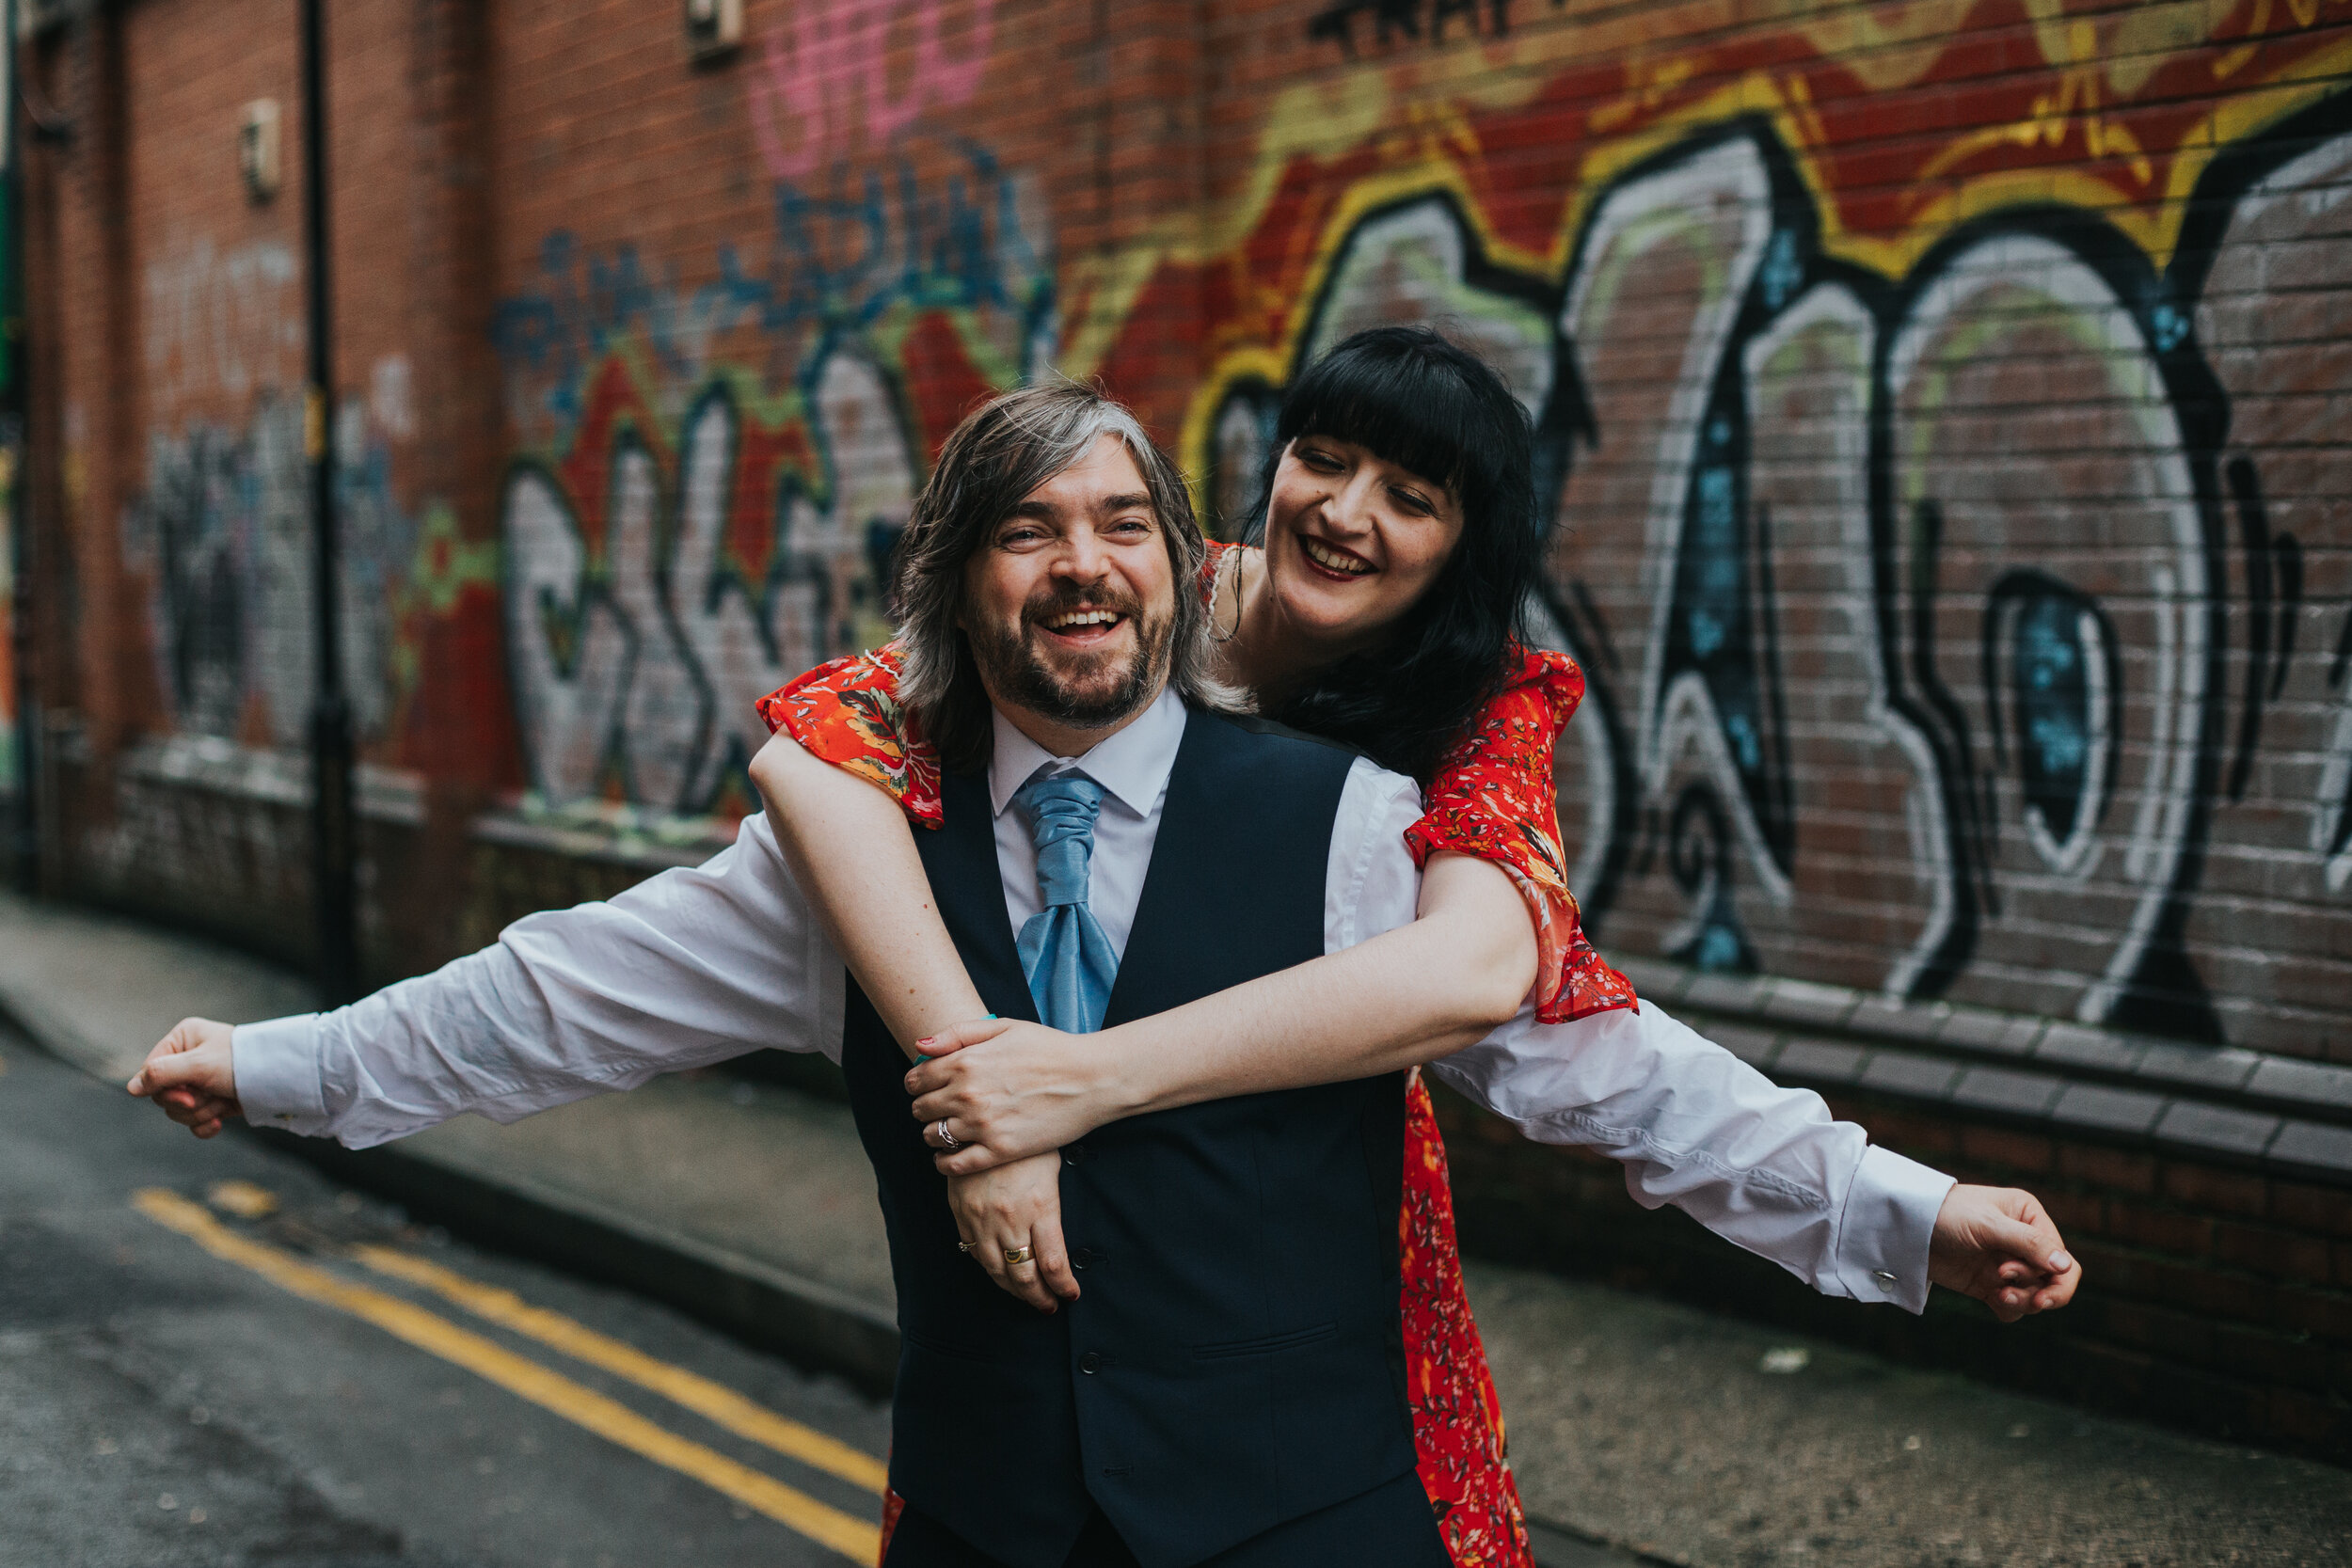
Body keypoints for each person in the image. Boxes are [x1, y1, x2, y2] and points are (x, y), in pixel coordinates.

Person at [132, 382, 2076, 1568]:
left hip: (1311, 1527)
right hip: (994, 1528)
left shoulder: (1345, 817)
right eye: (1025, 531)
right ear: (954, 588)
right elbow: (552, 997)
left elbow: (1605, 1063)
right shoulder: (845, 848)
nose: (1079, 567)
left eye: (1120, 525)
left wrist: (1896, 1211)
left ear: (1180, 565)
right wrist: (292, 1066)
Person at [743, 333, 2080, 1561]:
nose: (1345, 511)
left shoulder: (1479, 714)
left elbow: (1534, 1007)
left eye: (1412, 496)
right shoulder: (1126, 600)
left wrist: (1894, 1207)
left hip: (1308, 1205)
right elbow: (825, 736)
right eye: (1323, 459)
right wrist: (988, 1095)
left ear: (1463, 548)